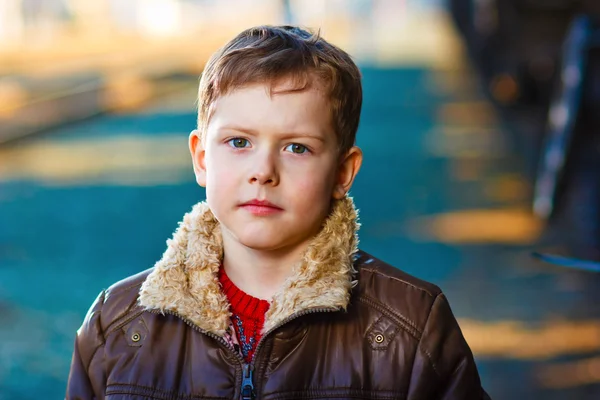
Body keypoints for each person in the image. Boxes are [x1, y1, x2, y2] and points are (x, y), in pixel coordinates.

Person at [66, 25, 490, 400]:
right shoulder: (116, 326)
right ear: (201, 158)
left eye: (296, 148)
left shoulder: (411, 326)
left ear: (343, 172)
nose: (263, 172)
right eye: (239, 143)